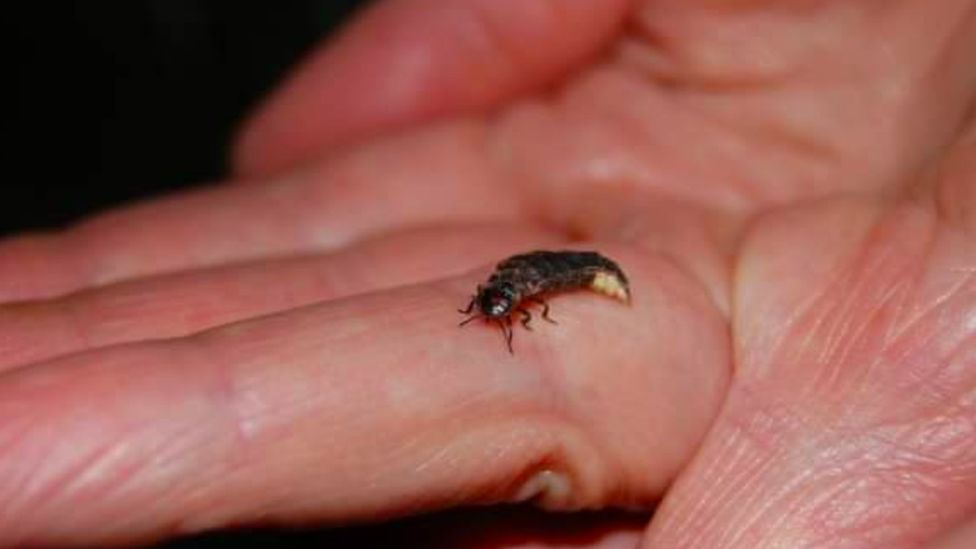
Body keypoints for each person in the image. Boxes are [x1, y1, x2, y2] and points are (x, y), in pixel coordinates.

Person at [1, 0, 974, 546]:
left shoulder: (542, 282)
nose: (506, 311)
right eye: (505, 306)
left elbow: (541, 282)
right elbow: (520, 288)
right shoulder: (516, 288)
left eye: (509, 305)